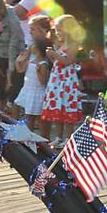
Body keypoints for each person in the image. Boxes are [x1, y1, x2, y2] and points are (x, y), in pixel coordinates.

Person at [41, 14, 86, 146]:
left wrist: (55, 54)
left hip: (67, 81)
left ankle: (69, 137)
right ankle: (58, 137)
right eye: (56, 30)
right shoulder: (59, 44)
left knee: (67, 107)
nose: (57, 33)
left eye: (59, 29)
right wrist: (51, 56)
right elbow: (57, 62)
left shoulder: (73, 44)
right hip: (57, 81)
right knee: (58, 108)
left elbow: (68, 61)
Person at [14, 28, 51, 128]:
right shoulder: (30, 61)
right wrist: (18, 62)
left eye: (33, 45)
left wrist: (39, 72)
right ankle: (24, 131)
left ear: (39, 48)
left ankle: (36, 135)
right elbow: (20, 70)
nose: (31, 47)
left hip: (36, 92)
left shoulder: (43, 64)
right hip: (27, 89)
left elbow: (43, 81)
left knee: (35, 117)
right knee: (25, 113)